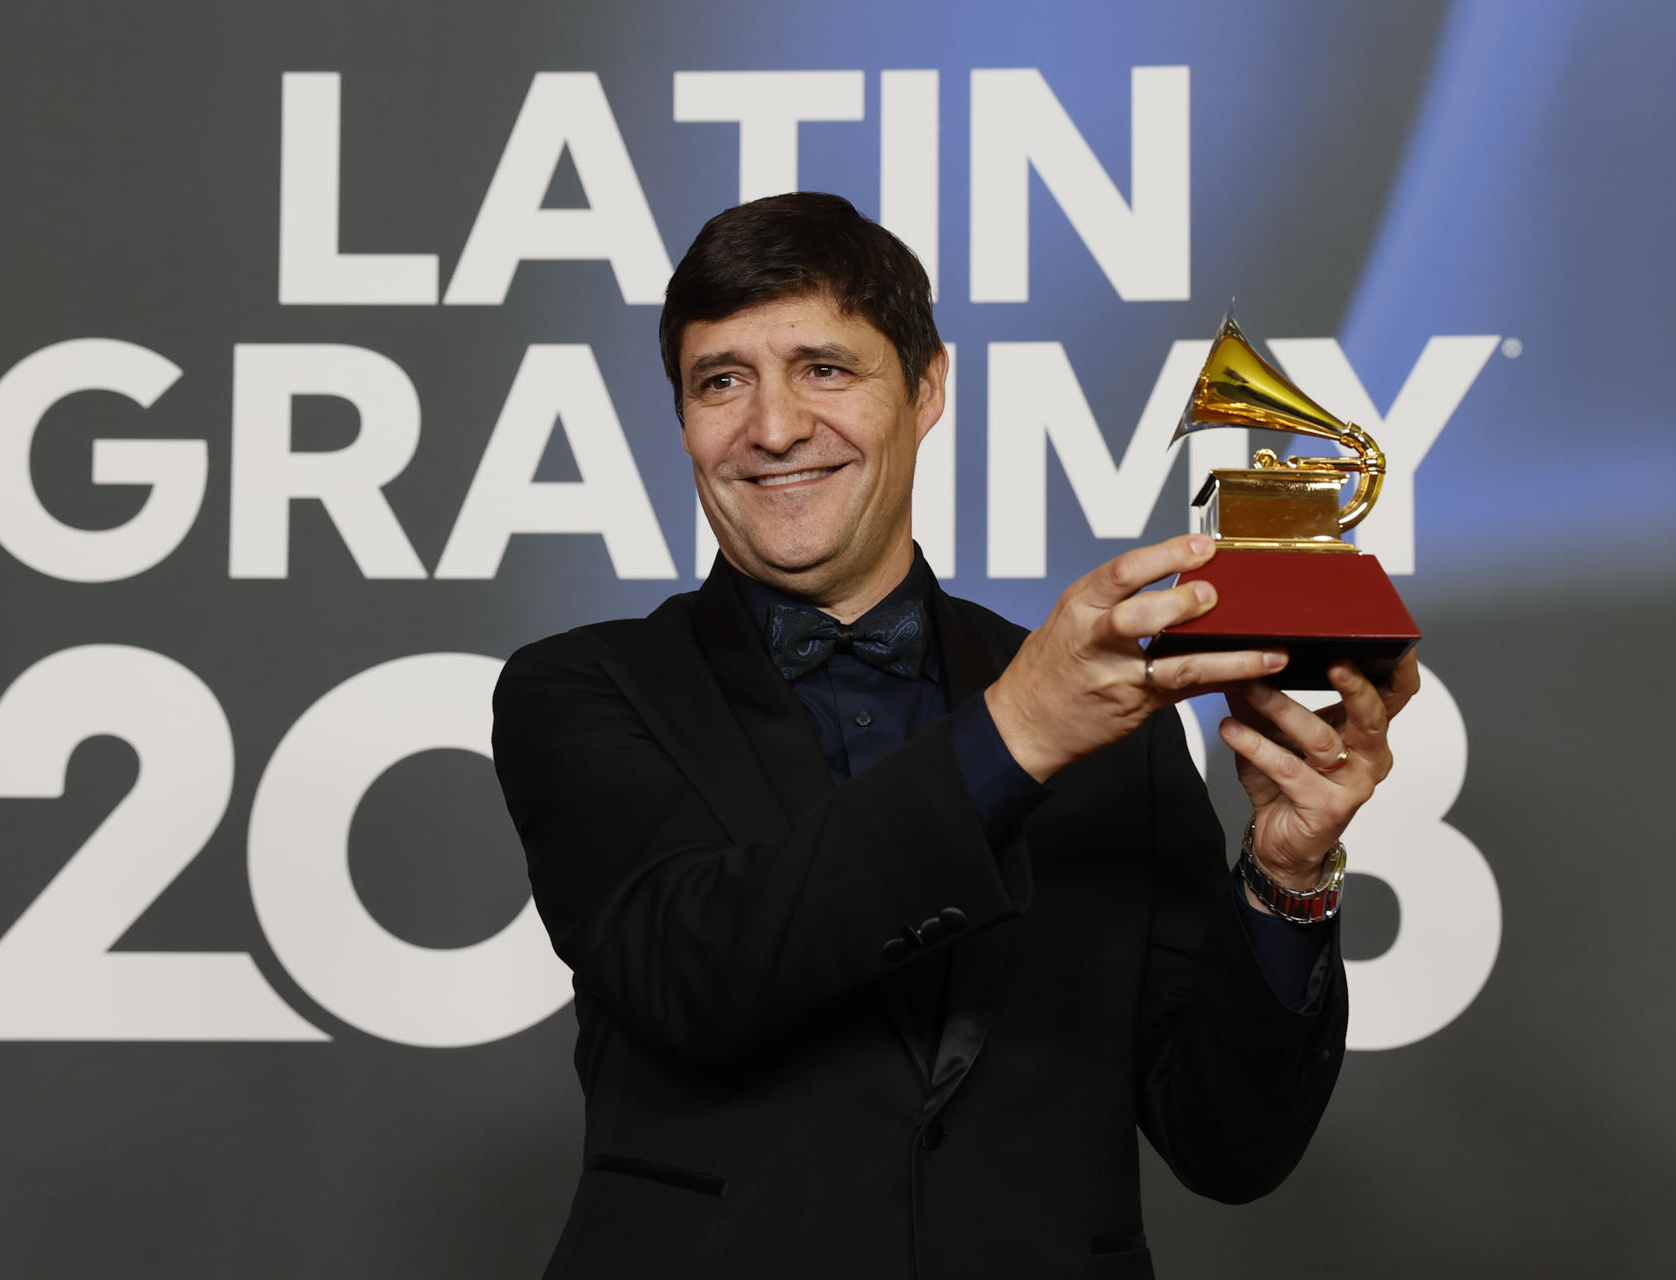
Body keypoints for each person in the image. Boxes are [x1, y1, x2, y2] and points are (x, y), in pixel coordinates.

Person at [491, 192, 1418, 1279]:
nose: (774, 426)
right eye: (721, 380)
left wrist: (1284, 878)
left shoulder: (1114, 719)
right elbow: (696, 971)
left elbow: (1228, 1142)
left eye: (824, 369)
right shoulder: (583, 689)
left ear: (926, 387)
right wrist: (1015, 733)